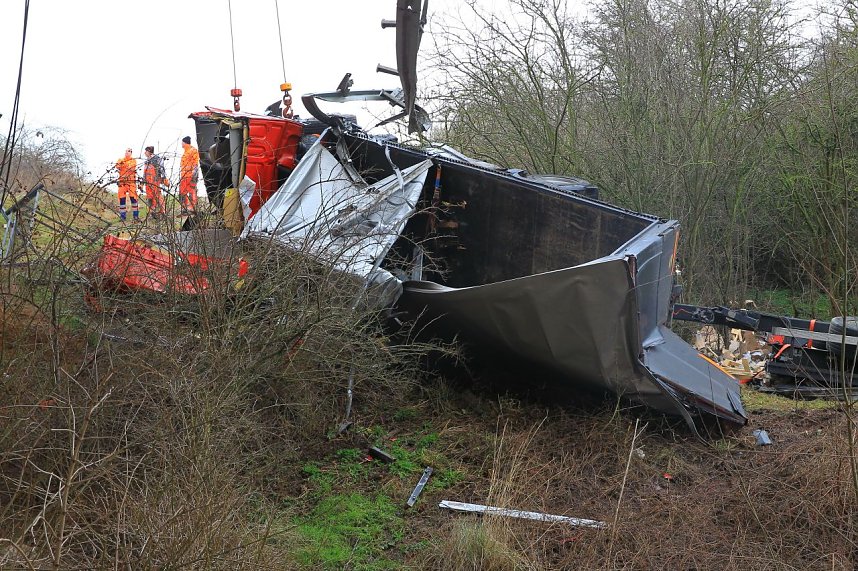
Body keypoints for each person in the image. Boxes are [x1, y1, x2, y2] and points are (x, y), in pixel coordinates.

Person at [143, 146, 167, 219]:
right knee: (150, 197)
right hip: (148, 183)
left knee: (158, 196)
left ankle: (163, 212)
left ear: (149, 151)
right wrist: (142, 182)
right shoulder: (146, 161)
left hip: (155, 181)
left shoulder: (156, 159)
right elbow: (144, 173)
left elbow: (162, 169)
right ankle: (152, 213)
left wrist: (164, 179)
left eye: (146, 151)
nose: (144, 153)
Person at [115, 147, 139, 222]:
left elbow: (131, 167)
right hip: (122, 183)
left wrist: (123, 165)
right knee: (122, 200)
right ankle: (123, 217)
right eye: (126, 151)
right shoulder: (120, 159)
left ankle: (135, 216)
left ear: (131, 153)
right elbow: (117, 166)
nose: (127, 152)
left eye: (128, 151)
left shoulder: (133, 160)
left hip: (131, 182)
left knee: (133, 199)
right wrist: (122, 164)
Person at [179, 135, 200, 213]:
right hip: (184, 176)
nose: (181, 144)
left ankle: (192, 208)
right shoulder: (186, 151)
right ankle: (186, 208)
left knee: (192, 192)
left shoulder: (193, 150)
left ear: (184, 143)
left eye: (182, 142)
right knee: (183, 192)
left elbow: (195, 164)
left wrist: (194, 176)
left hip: (190, 176)